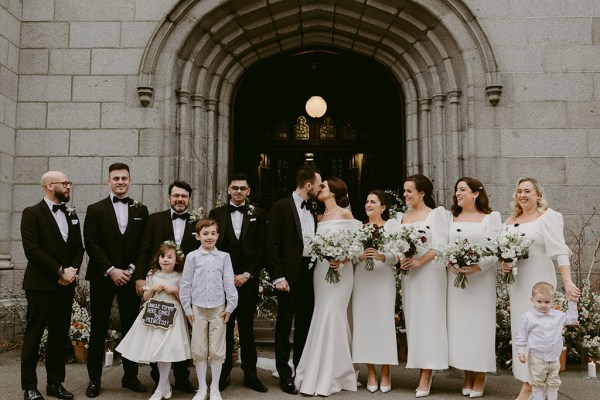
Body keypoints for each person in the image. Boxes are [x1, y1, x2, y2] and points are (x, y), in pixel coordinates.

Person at [502, 177, 580, 400]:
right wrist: (504, 263)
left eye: (528, 191)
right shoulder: (510, 220)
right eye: (519, 191)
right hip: (518, 284)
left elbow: (560, 251)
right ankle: (532, 383)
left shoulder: (548, 217)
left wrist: (567, 282)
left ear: (538, 195)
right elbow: (503, 252)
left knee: (541, 332)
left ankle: (529, 387)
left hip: (540, 279)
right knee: (522, 329)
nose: (523, 195)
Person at [84, 162, 149, 398]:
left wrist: (131, 270)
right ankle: (94, 379)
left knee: (131, 327)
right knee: (98, 327)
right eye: (116, 178)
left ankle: (130, 376)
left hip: (130, 278)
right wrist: (111, 270)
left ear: (130, 180)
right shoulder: (95, 209)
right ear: (108, 181)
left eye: (124, 178)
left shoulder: (141, 210)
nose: (120, 182)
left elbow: (145, 245)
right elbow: (91, 243)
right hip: (103, 276)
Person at [294, 177, 361, 396]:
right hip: (321, 272)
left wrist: (342, 259)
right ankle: (317, 367)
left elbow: (357, 246)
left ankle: (335, 372)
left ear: (332, 192)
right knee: (321, 313)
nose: (318, 189)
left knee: (334, 314)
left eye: (323, 187)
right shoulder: (318, 217)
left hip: (341, 272)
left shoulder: (345, 214)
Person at [20, 171, 84, 400]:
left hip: (65, 286)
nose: (68, 186)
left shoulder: (71, 213)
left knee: (59, 336)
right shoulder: (31, 213)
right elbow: (32, 250)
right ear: (49, 185)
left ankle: (55, 384)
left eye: (69, 182)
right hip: (40, 285)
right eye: (64, 183)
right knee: (34, 335)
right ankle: (29, 387)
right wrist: (59, 271)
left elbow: (79, 248)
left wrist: (71, 272)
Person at [384, 173, 448, 398]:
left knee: (430, 319)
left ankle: (427, 373)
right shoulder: (402, 217)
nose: (405, 194)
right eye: (404, 190)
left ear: (422, 193)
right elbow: (396, 245)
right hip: (409, 274)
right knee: (415, 320)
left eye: (409, 190)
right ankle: (420, 363)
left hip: (430, 273)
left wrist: (420, 261)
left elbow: (440, 245)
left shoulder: (435, 215)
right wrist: (402, 257)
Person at [134, 180, 199, 394]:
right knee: (157, 331)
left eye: (184, 196)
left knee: (183, 334)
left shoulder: (197, 222)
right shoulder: (154, 220)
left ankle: (182, 377)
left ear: (190, 199)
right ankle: (159, 380)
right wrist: (140, 279)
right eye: (176, 195)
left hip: (186, 287)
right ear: (169, 197)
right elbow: (143, 249)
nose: (180, 199)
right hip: (159, 284)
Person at [208, 173, 268, 393]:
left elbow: (263, 247)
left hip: (247, 281)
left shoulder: (258, 214)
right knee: (224, 328)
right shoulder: (217, 213)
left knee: (246, 328)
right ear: (228, 190)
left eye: (243, 188)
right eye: (235, 188)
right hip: (222, 282)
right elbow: (211, 245)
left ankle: (250, 375)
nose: (239, 191)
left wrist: (247, 275)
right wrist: (225, 277)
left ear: (249, 191)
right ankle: (223, 374)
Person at [267, 165, 322, 394]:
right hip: (288, 276)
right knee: (284, 325)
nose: (320, 189)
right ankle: (284, 373)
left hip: (311, 273)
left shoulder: (314, 208)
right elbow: (272, 244)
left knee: (305, 324)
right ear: (308, 185)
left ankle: (301, 369)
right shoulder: (280, 206)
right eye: (319, 185)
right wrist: (278, 276)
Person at [446, 178, 501, 397]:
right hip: (456, 282)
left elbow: (496, 249)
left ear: (476, 194)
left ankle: (480, 375)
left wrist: (478, 266)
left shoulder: (490, 218)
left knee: (479, 327)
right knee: (461, 328)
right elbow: (443, 246)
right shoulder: (451, 218)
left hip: (480, 282)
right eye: (456, 190)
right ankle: (467, 374)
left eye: (462, 190)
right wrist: (449, 262)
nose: (457, 193)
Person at [117, 241, 192, 400]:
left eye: (170, 257)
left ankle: (160, 389)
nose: (165, 260)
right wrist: (151, 289)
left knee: (166, 351)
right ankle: (165, 386)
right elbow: (145, 298)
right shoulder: (152, 274)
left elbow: (185, 300)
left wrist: (175, 291)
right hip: (154, 315)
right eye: (162, 257)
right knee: (158, 350)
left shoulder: (180, 276)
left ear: (176, 260)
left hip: (172, 317)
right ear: (158, 259)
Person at [180, 219, 238, 400]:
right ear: (198, 236)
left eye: (213, 233)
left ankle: (214, 388)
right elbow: (186, 283)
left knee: (217, 349)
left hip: (218, 309)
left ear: (218, 236)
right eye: (205, 234)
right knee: (199, 348)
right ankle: (202, 387)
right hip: (197, 309)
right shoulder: (192, 257)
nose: (209, 237)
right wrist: (188, 309)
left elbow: (229, 282)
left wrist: (230, 307)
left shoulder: (224, 257)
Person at [352, 189, 398, 393]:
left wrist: (382, 256)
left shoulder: (391, 227)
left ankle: (386, 370)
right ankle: (370, 370)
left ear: (383, 207)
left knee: (383, 323)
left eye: (373, 202)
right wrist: (359, 257)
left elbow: (398, 254)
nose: (368, 205)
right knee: (364, 324)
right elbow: (350, 255)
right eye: (367, 201)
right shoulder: (359, 228)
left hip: (383, 279)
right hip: (362, 279)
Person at [514, 282, 578, 400]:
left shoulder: (558, 316)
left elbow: (572, 319)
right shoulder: (528, 317)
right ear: (532, 300)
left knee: (553, 382)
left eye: (547, 302)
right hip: (537, 357)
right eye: (539, 301)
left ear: (553, 301)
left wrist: (572, 302)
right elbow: (521, 335)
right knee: (537, 382)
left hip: (554, 357)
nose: (543, 305)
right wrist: (520, 351)